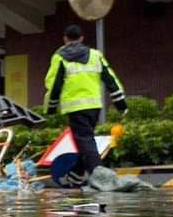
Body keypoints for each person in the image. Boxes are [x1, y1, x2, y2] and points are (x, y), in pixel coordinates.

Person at [43, 24, 127, 186]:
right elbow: (110, 80)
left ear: (65, 39)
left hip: (74, 107)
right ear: (82, 38)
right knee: (86, 141)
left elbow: (54, 84)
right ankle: (75, 176)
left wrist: (51, 108)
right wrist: (121, 103)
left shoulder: (59, 57)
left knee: (85, 141)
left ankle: (100, 175)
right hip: (94, 106)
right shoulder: (96, 55)